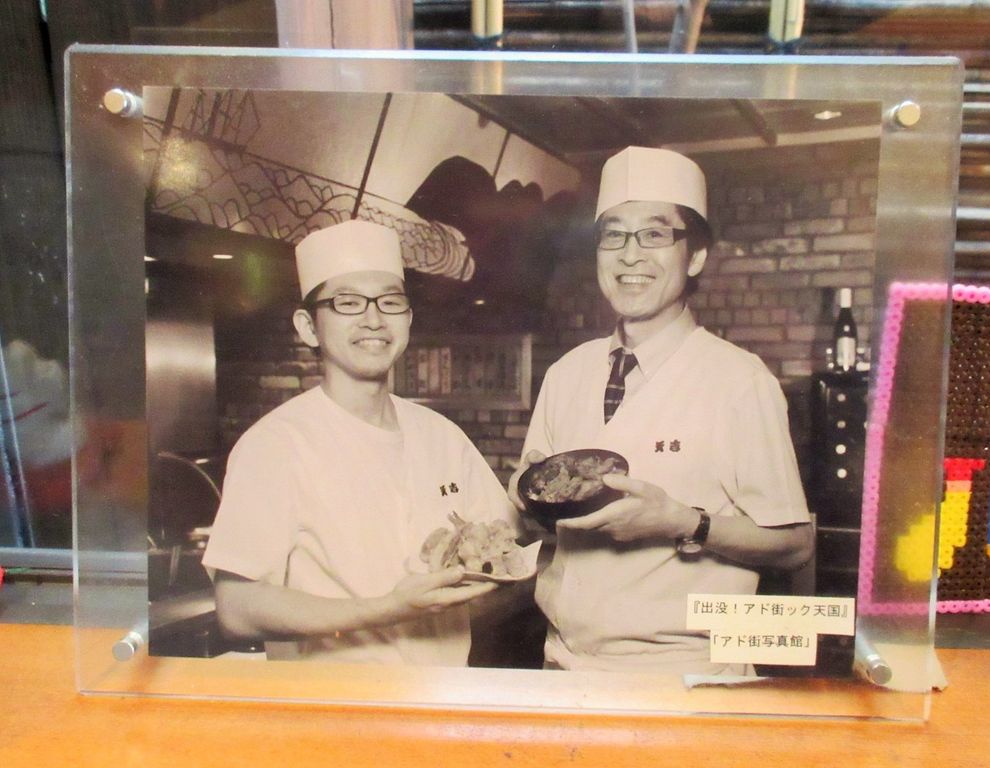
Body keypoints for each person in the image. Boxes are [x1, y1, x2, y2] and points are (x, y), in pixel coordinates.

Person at [511, 146, 814, 676]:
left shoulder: (740, 382)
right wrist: (523, 495)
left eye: (654, 235)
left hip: (683, 672)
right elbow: (536, 517)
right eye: (614, 236)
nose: (630, 256)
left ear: (694, 257)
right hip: (560, 663)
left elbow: (794, 545)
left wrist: (683, 522)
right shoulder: (567, 374)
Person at [203, 219, 519, 666]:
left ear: (408, 320)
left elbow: (505, 544)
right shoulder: (275, 444)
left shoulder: (443, 436)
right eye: (347, 302)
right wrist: (388, 609)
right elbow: (236, 609)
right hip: (333, 701)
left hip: (442, 694)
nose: (373, 319)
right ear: (308, 327)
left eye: (390, 302)